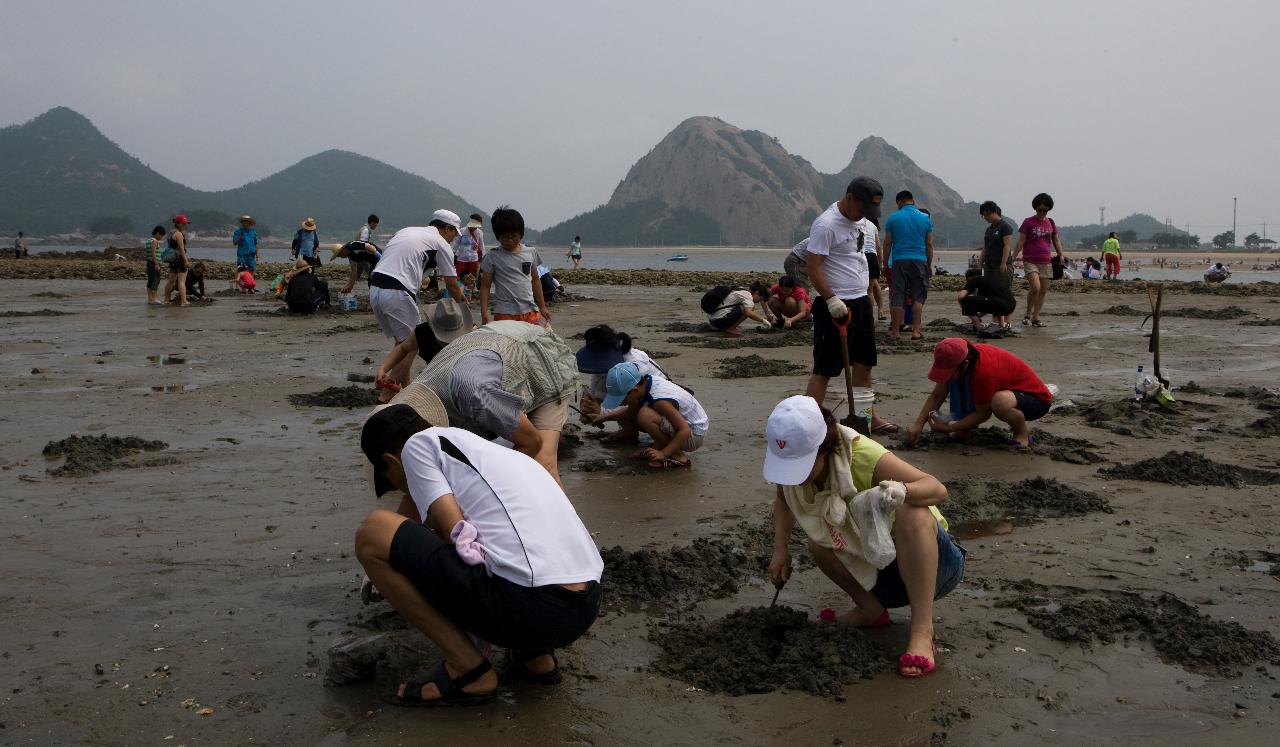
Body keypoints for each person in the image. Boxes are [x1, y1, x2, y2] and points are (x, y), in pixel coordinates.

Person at [354, 398, 602, 706]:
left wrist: (407, 574)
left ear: (391, 462)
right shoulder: (500, 454)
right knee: (506, 545)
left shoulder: (418, 447)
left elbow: (454, 533)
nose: (402, 492)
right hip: (585, 606)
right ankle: (534, 656)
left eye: (392, 483)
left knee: (373, 532)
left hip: (529, 609)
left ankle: (468, 670)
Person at [764, 395, 964, 678]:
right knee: (817, 541)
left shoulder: (860, 455)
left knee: (913, 511)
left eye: (802, 465)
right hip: (878, 573)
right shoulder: (787, 460)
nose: (794, 477)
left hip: (933, 567)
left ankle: (922, 631)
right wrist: (780, 549)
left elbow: (937, 489)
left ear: (826, 447)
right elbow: (784, 498)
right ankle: (871, 611)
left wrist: (901, 491)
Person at [390, 320, 577, 479]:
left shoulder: (475, 395)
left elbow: (532, 442)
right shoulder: (421, 389)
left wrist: (483, 484)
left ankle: (565, 523)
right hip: (492, 348)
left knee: (543, 465)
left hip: (541, 356)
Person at [805, 177, 896, 433]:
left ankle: (868, 417)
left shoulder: (864, 222)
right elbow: (813, 268)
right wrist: (831, 299)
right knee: (825, 368)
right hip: (834, 305)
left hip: (861, 302)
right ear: (850, 197)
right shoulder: (826, 225)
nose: (864, 215)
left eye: (870, 210)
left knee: (864, 364)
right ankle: (807, 423)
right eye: (862, 208)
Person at [370, 209, 465, 393]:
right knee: (412, 344)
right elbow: (452, 285)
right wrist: (462, 309)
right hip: (397, 290)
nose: (453, 239)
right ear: (447, 228)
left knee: (403, 342)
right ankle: (386, 395)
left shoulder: (407, 231)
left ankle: (406, 389)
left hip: (375, 288)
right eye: (454, 233)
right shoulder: (440, 243)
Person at [905, 338, 1053, 448]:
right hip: (1005, 391)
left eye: (949, 371)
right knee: (955, 382)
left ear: (965, 364)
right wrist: (918, 424)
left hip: (1036, 400)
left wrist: (949, 428)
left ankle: (1022, 434)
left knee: (999, 402)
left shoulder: (984, 372)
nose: (946, 376)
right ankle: (966, 429)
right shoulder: (959, 357)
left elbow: (983, 413)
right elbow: (936, 396)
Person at [599, 361, 709, 469]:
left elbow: (684, 430)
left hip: (693, 436)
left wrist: (663, 454)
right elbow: (629, 413)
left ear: (634, 390)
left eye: (621, 399)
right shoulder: (647, 383)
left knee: (645, 415)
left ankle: (678, 457)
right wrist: (604, 418)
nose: (621, 403)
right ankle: (659, 446)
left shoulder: (659, 401)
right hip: (684, 427)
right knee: (639, 412)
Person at [575, 325, 671, 442]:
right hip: (633, 400)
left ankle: (663, 442)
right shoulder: (602, 364)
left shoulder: (635, 365)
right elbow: (597, 391)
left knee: (627, 401)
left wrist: (600, 413)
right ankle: (628, 432)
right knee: (609, 395)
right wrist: (589, 406)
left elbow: (632, 401)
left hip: (659, 408)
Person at [375, 299, 475, 395]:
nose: (448, 342)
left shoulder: (473, 334)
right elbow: (402, 349)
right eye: (445, 338)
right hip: (436, 380)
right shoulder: (423, 333)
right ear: (433, 328)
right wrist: (383, 369)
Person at [479, 206, 551, 326]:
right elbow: (485, 286)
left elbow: (536, 280)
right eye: (505, 237)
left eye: (513, 236)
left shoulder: (531, 252)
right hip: (504, 312)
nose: (510, 241)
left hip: (530, 310)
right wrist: (484, 312)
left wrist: (542, 307)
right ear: (498, 237)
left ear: (521, 234)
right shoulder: (492, 256)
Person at [882, 190, 934, 341]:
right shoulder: (925, 219)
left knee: (898, 295)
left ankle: (896, 333)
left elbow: (887, 243)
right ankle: (916, 332)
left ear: (900, 201)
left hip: (899, 260)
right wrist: (928, 264)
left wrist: (885, 263)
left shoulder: (893, 217)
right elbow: (929, 244)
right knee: (918, 296)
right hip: (920, 260)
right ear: (913, 200)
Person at [1012, 193, 1065, 327]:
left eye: (1045, 210)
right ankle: (1027, 313)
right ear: (1035, 208)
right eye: (1039, 209)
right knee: (1035, 287)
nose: (1042, 212)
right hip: (1030, 260)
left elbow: (1056, 239)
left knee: (1043, 290)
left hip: (1046, 261)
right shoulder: (1028, 222)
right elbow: (1021, 241)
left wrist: (1061, 254)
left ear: (1049, 209)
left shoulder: (1050, 222)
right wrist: (1013, 257)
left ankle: (1036, 317)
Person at [978, 201, 1015, 328]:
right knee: (992, 292)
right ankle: (996, 320)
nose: (986, 218)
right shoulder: (989, 229)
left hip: (1002, 265)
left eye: (987, 215)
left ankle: (1007, 321)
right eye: (984, 216)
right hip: (989, 265)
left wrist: (1004, 263)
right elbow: (985, 247)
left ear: (994, 212)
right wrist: (980, 262)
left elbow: (1007, 246)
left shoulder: (1005, 227)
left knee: (1004, 291)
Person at [957, 268, 1016, 334]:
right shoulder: (991, 280)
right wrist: (978, 316)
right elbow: (992, 305)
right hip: (1011, 306)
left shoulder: (974, 280)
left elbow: (960, 297)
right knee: (996, 301)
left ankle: (979, 328)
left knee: (966, 300)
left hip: (999, 303)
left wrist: (963, 305)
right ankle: (1001, 326)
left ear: (969, 278)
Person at [858, 217, 886, 321]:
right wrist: (881, 263)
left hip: (860, 256)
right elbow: (878, 247)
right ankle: (877, 312)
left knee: (863, 289)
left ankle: (867, 316)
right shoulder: (872, 225)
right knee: (872, 286)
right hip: (872, 257)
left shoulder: (855, 222)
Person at [162, 214, 191, 307]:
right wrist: (186, 261)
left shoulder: (171, 233)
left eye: (185, 224)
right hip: (180, 259)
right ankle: (183, 301)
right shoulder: (178, 234)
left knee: (171, 280)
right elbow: (182, 249)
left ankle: (166, 299)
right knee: (182, 281)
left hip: (172, 259)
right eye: (183, 223)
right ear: (178, 223)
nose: (184, 225)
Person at [455, 214, 485, 280]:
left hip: (474, 259)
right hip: (461, 259)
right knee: (460, 279)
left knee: (472, 279)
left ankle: (471, 290)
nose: (475, 228)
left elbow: (481, 246)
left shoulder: (480, 233)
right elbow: (456, 244)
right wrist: (453, 255)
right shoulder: (462, 231)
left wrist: (483, 259)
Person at [144, 225, 166, 305]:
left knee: (150, 281)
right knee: (155, 281)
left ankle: (150, 299)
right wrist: (156, 264)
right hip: (154, 264)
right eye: (161, 235)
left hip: (149, 263)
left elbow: (148, 254)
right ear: (157, 233)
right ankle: (153, 299)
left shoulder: (148, 241)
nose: (161, 237)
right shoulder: (154, 241)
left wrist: (147, 265)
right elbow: (153, 253)